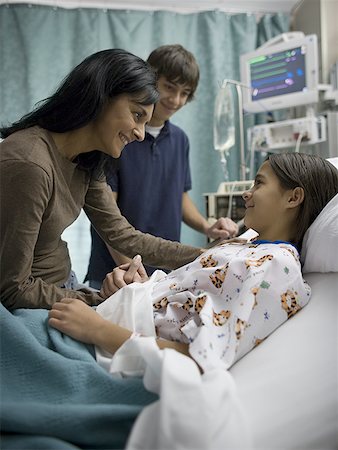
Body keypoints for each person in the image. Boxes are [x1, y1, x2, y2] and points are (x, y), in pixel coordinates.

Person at [48, 153, 338, 372]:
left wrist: (98, 330)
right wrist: (138, 288)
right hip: (112, 320)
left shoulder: (276, 267)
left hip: (113, 345)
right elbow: (187, 303)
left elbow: (201, 358)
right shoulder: (246, 247)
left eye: (259, 184)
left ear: (294, 197)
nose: (246, 193)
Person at [0, 48, 204, 311]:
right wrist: (101, 300)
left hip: (63, 285)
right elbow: (13, 288)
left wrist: (204, 256)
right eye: (137, 115)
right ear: (101, 97)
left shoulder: (87, 159)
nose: (141, 134)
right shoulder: (30, 165)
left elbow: (122, 235)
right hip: (29, 305)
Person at [85, 44, 238, 288]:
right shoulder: (119, 135)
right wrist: (131, 274)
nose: (176, 100)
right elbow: (108, 218)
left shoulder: (179, 140)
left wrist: (207, 227)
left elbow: (178, 196)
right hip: (115, 274)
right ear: (149, 79)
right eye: (169, 87)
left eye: (185, 93)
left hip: (164, 273)